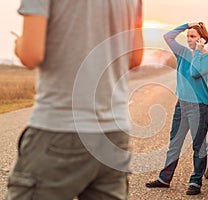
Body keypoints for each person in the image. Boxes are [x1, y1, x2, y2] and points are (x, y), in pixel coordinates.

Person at [7, 1, 143, 200]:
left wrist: (19, 44)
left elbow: (31, 54)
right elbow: (134, 57)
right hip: (114, 134)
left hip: (60, 127)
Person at [145, 22, 208, 195]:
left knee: (198, 146)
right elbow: (167, 37)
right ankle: (164, 179)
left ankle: (195, 182)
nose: (189, 39)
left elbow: (194, 72)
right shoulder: (182, 52)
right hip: (181, 105)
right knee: (174, 144)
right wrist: (186, 26)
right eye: (188, 36)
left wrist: (198, 51)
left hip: (198, 107)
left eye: (193, 36)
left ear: (202, 39)